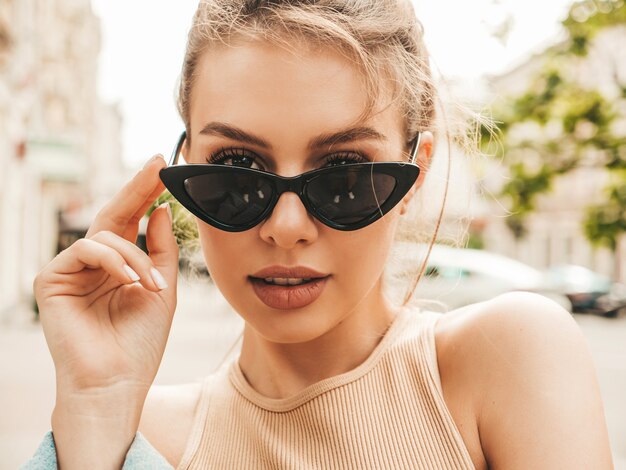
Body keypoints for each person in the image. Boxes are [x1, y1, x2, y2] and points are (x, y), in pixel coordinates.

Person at [23, 0, 613, 469]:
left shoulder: (507, 360)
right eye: (238, 169)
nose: (285, 228)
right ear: (181, 167)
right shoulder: (139, 435)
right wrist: (96, 409)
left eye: (344, 174)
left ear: (416, 175)